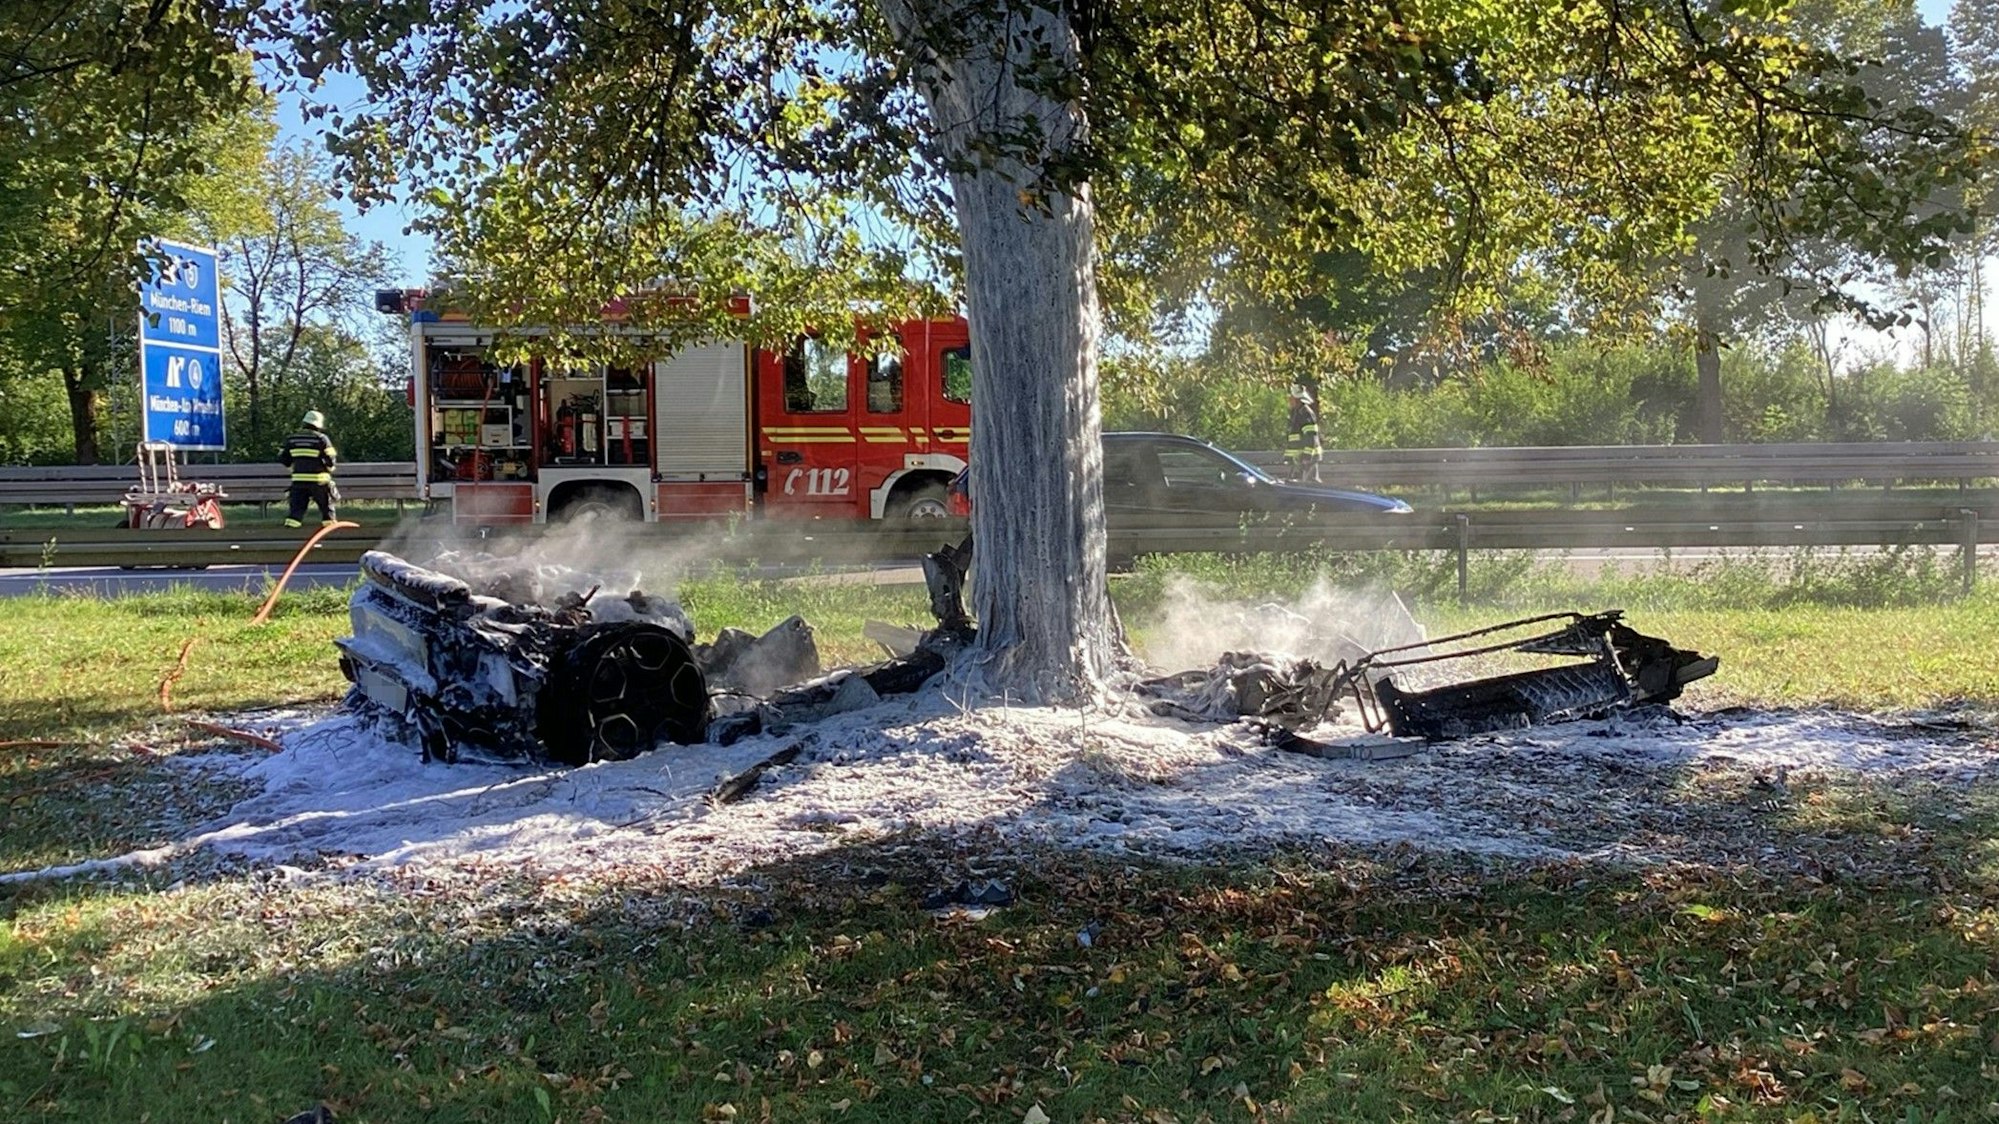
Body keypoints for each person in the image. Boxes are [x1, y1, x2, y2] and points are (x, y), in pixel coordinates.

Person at [280, 409, 340, 527]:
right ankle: (331, 532)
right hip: (319, 481)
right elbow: (330, 458)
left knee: (296, 510)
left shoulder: (292, 439)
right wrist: (330, 468)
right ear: (318, 425)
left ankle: (292, 533)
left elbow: (284, 459)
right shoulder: (321, 438)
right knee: (326, 509)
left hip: (299, 481)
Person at [1284, 384, 1324, 483]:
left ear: (1297, 400)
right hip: (1300, 459)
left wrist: (1307, 457)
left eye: (1291, 397)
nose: (1289, 400)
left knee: (1310, 487)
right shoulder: (1297, 412)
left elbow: (1311, 437)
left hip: (1307, 459)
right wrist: (1289, 457)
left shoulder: (1306, 413)